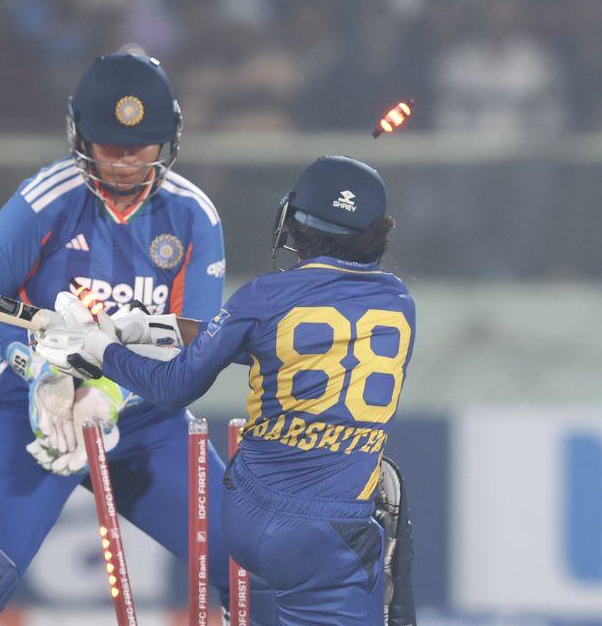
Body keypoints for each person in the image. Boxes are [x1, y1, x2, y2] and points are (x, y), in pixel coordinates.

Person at [0, 51, 276, 624]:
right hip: (30, 411)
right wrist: (38, 370)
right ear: (78, 134)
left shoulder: (193, 215)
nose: (125, 161)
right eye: (109, 145)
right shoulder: (48, 200)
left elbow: (194, 344)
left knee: (251, 569)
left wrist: (112, 392)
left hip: (146, 421)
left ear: (169, 137)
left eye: (141, 146)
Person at [38, 155, 418, 624]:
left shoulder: (262, 297)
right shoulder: (399, 302)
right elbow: (292, 347)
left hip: (245, 516)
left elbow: (176, 385)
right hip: (327, 533)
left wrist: (105, 349)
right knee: (378, 531)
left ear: (294, 223)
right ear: (376, 234)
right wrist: (152, 329)